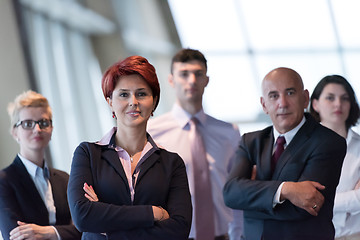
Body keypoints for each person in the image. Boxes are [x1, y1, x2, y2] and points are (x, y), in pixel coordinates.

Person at [67, 55, 192, 240]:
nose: (133, 101)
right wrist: (152, 213)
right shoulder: (87, 154)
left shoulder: (172, 163)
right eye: (124, 94)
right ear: (110, 102)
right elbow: (83, 216)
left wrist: (106, 227)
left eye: (141, 94)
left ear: (154, 101)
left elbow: (179, 229)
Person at [223, 67, 347, 240]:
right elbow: (230, 194)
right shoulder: (250, 141)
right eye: (273, 96)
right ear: (264, 104)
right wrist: (286, 189)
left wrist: (250, 198)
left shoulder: (329, 142)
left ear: (305, 98)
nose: (282, 103)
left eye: (290, 93)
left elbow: (304, 207)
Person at [147, 48, 243, 240]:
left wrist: (239, 234)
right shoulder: (151, 132)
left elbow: (237, 189)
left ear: (206, 80)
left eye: (198, 74)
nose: (192, 80)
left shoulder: (228, 132)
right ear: (171, 80)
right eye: (184, 74)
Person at [0, 90, 81, 240]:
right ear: (15, 132)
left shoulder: (64, 179)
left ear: (51, 129)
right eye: (28, 124)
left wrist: (48, 233)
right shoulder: (4, 181)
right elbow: (15, 236)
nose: (37, 129)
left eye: (43, 123)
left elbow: (82, 229)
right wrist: (64, 232)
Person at [310, 75, 360, 240]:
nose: (338, 104)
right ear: (315, 104)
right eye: (330, 98)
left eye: (344, 98)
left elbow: (311, 200)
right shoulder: (300, 147)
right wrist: (351, 197)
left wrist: (320, 201)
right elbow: (299, 201)